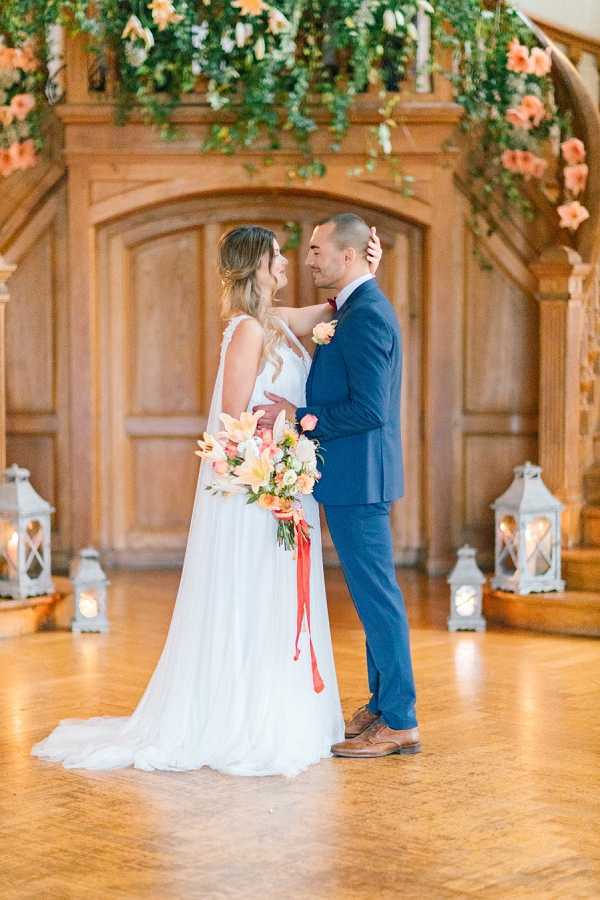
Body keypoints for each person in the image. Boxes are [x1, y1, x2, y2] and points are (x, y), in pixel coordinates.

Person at [31, 222, 382, 777]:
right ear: (256, 269)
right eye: (277, 259)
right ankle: (241, 717)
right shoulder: (245, 330)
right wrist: (278, 472)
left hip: (289, 485)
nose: (288, 264)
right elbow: (233, 425)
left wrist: (368, 269)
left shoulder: (277, 321)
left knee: (280, 601)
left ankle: (284, 709)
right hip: (260, 494)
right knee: (253, 600)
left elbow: (332, 311)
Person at [256, 213, 420, 759]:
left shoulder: (367, 316)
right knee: (371, 597)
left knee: (378, 600)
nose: (309, 258)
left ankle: (400, 720)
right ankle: (380, 706)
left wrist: (299, 417)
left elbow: (371, 409)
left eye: (318, 249)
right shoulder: (351, 308)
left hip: (360, 480)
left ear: (347, 257)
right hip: (352, 478)